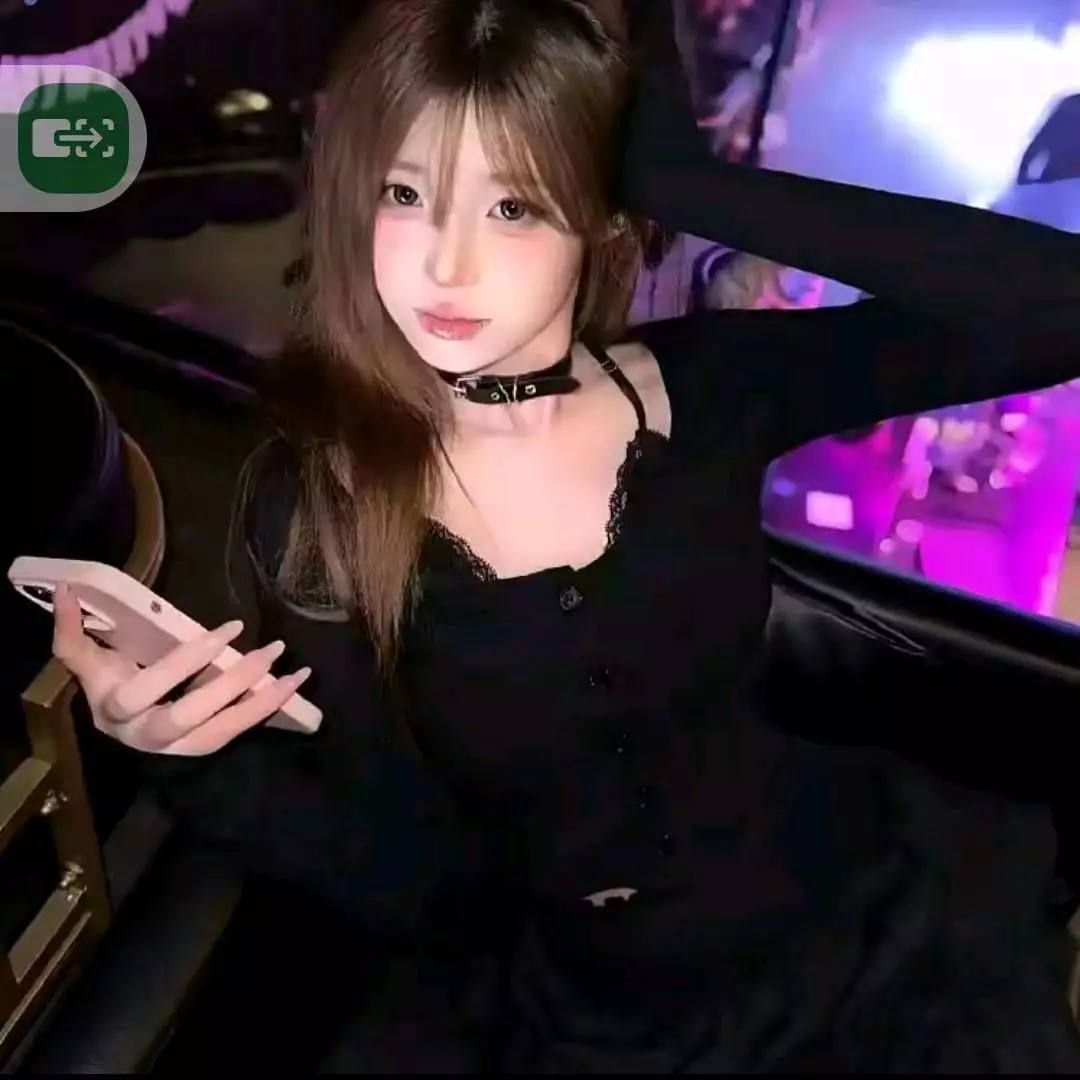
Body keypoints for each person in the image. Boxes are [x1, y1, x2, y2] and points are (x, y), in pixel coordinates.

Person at [52, 0, 1080, 1071]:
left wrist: (693, 188)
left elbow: (1059, 307)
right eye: (406, 194)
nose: (446, 266)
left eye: (513, 206)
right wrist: (183, 758)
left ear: (601, 215)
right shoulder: (323, 503)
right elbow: (398, 870)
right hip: (587, 1010)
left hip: (844, 922)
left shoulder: (706, 391)